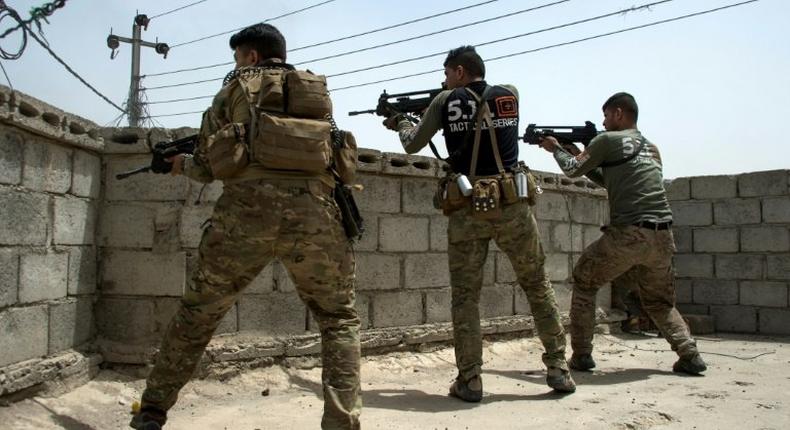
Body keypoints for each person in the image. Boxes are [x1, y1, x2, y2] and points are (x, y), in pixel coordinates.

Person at [130, 23, 362, 430]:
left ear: (252, 56)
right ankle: (342, 423)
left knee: (198, 313)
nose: (236, 64)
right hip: (317, 216)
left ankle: (152, 411)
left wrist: (179, 164)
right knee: (338, 319)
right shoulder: (314, 95)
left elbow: (207, 164)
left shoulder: (234, 89)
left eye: (238, 56)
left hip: (246, 216)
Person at [383, 45, 575, 402]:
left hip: (468, 207)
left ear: (458, 71)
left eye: (446, 74)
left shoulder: (445, 101)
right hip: (513, 205)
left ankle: (470, 379)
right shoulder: (509, 94)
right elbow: (487, 108)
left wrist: (403, 121)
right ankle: (558, 368)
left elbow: (412, 145)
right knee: (536, 285)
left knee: (466, 297)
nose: (443, 81)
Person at [538, 92, 707, 375]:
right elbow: (609, 181)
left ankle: (581, 355)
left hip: (630, 233)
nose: (603, 123)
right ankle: (689, 353)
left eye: (606, 116)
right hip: (663, 236)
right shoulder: (652, 148)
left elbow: (571, 171)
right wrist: (576, 153)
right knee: (659, 302)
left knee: (585, 281)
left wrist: (555, 149)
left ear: (618, 113)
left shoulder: (606, 141)